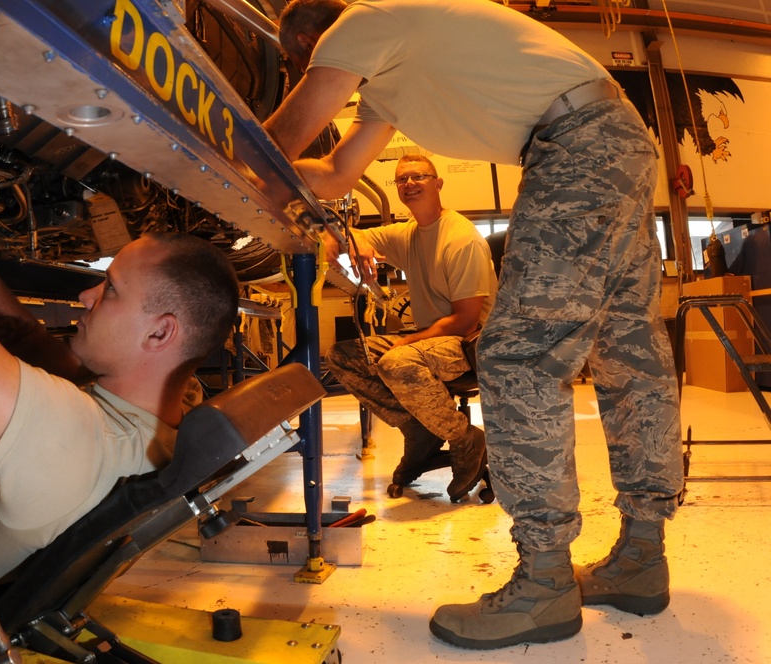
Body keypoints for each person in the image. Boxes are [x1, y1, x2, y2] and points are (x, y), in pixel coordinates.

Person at [265, 0, 683, 649]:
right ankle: (641, 559)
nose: (313, 74)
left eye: (303, 63)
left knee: (518, 355)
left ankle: (544, 582)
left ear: (309, 40)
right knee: (628, 352)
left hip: (575, 143)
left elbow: (282, 138)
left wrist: (211, 154)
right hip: (616, 139)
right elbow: (336, 171)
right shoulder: (390, 82)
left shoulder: (360, 21)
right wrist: (294, 183)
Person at [0, 117, 240, 591]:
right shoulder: (167, 408)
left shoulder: (76, 439)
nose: (88, 295)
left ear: (159, 334)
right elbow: (26, 338)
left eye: (111, 290)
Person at [323, 155, 496, 502]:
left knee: (395, 361)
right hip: (434, 340)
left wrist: (407, 342)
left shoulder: (461, 239)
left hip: (474, 344)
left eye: (419, 176)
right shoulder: (410, 233)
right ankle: (418, 429)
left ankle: (465, 440)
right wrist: (356, 244)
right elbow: (344, 234)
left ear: (438, 183)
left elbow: (464, 320)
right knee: (341, 356)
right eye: (402, 180)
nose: (409, 184)